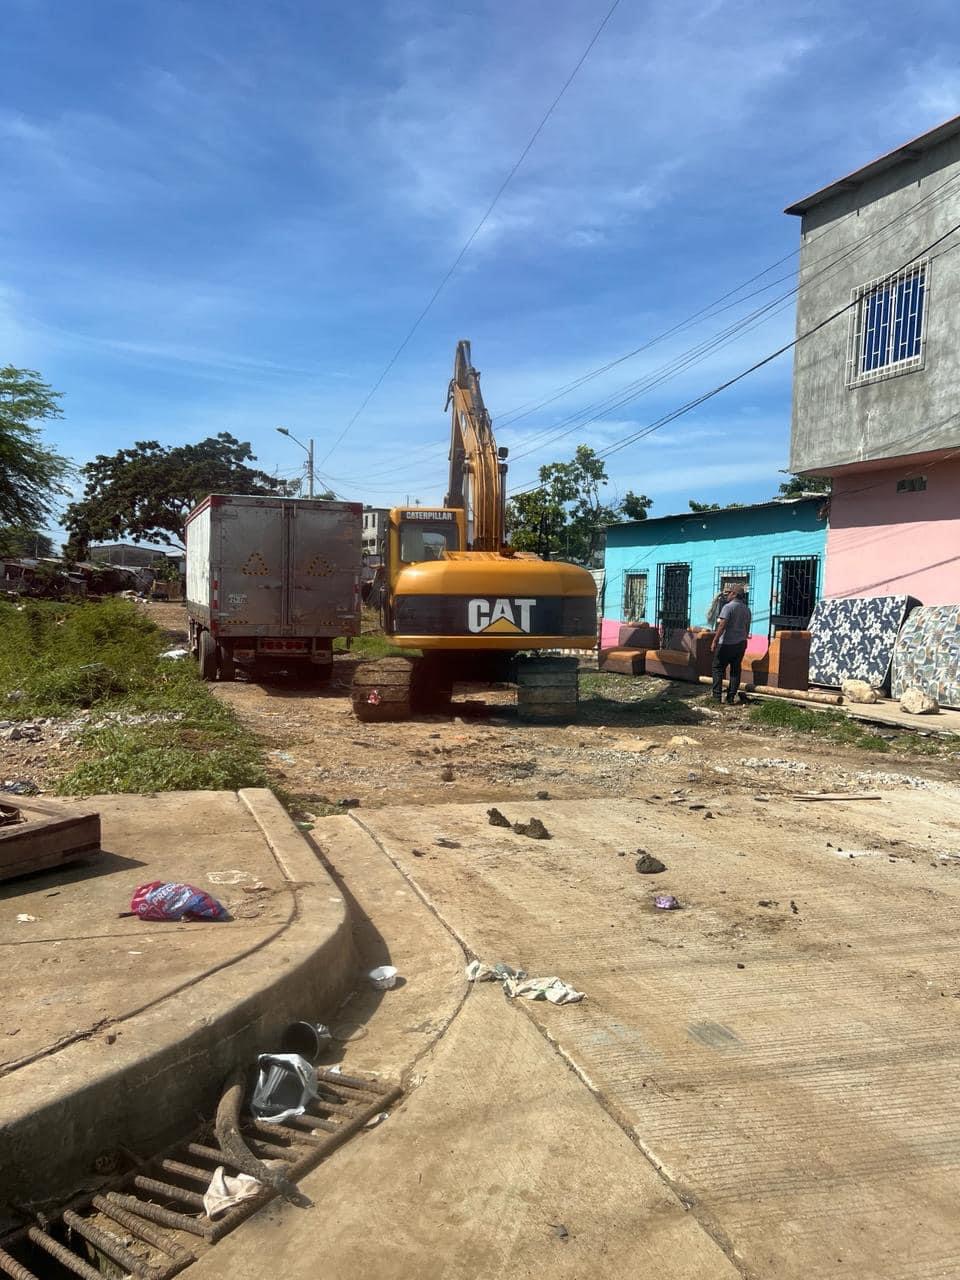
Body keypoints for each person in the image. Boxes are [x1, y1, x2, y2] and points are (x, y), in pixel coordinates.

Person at [711, 585, 751, 704]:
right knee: (735, 670)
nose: (727, 595)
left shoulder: (728, 607)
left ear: (734, 594)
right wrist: (743, 638)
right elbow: (747, 627)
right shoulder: (746, 609)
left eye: (729, 593)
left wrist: (715, 640)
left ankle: (716, 697)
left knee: (717, 668)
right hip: (741, 643)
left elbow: (722, 625)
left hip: (726, 643)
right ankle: (731, 697)